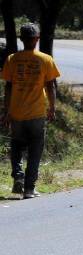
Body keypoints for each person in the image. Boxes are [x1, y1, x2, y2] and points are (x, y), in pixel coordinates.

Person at [1, 23, 60, 199]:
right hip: (37, 113)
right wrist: (52, 108)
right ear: (37, 39)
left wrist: (6, 111)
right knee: (35, 150)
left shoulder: (12, 59)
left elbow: (8, 88)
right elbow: (50, 87)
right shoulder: (46, 59)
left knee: (16, 147)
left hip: (17, 113)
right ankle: (29, 189)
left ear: (21, 39)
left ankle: (18, 176)